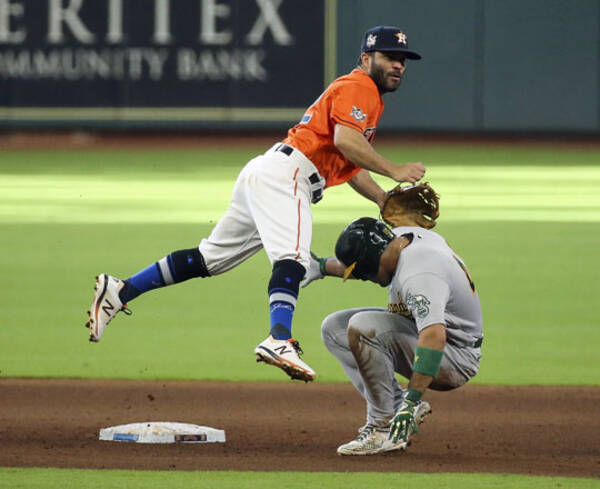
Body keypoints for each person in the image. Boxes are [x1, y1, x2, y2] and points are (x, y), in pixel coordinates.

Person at [86, 25, 426, 383]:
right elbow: (346, 140)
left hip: (269, 171)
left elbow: (349, 160)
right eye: (390, 57)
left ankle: (122, 289)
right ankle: (279, 339)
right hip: (288, 177)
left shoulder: (363, 94)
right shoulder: (360, 86)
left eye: (402, 59)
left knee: (209, 259)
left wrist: (382, 198)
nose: (398, 65)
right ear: (365, 58)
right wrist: (394, 170)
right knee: (293, 260)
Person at [304, 197, 483, 454]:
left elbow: (434, 336)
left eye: (367, 273)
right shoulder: (396, 240)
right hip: (428, 335)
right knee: (335, 329)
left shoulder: (419, 274)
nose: (367, 279)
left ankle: (382, 428)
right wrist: (321, 266)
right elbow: (365, 264)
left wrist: (412, 399)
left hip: (455, 356)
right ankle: (393, 405)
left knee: (363, 328)